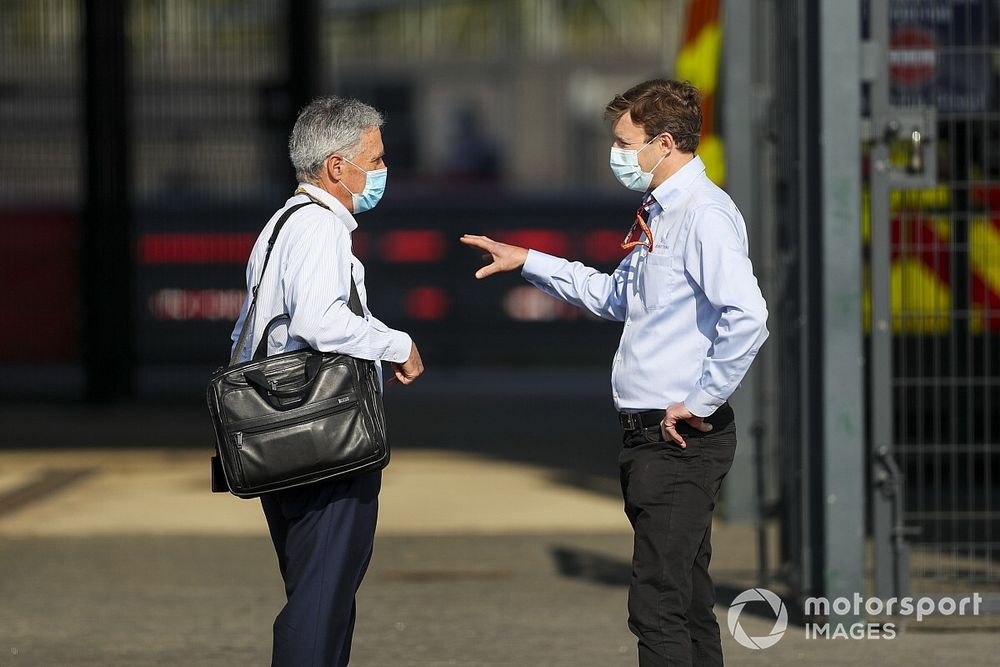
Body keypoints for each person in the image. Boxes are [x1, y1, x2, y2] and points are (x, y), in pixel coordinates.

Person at [461, 78, 768, 666]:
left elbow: (748, 316)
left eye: (627, 143)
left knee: (657, 603)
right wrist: (529, 260)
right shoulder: (662, 211)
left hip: (678, 437)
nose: (618, 154)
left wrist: (701, 399)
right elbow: (616, 296)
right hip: (651, 436)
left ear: (665, 142)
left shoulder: (702, 214)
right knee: (685, 596)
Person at [230, 96, 424, 666]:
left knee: (314, 593)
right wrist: (399, 343)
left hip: (281, 436)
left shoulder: (281, 225)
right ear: (338, 166)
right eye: (376, 158)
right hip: (324, 438)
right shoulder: (320, 228)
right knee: (321, 602)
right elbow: (319, 322)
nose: (383, 171)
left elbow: (251, 328)